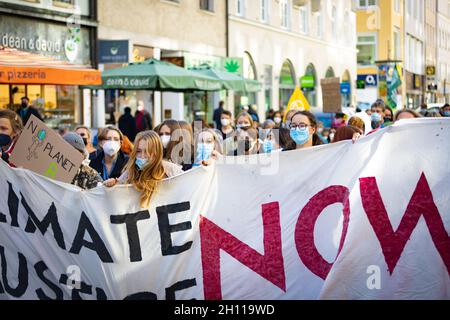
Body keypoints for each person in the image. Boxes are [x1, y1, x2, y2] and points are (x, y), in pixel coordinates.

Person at [103, 131, 183, 208]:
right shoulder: (130, 172)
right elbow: (116, 193)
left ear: (157, 152)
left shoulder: (170, 169)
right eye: (138, 151)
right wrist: (112, 184)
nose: (143, 155)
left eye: (148, 151)